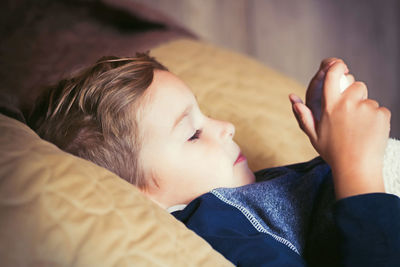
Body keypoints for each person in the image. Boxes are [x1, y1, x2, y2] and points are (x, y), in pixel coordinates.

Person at [28, 54, 400, 266]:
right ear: (137, 197)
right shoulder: (219, 234)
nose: (227, 127)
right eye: (193, 133)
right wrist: (356, 166)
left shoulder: (241, 192)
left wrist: (333, 144)